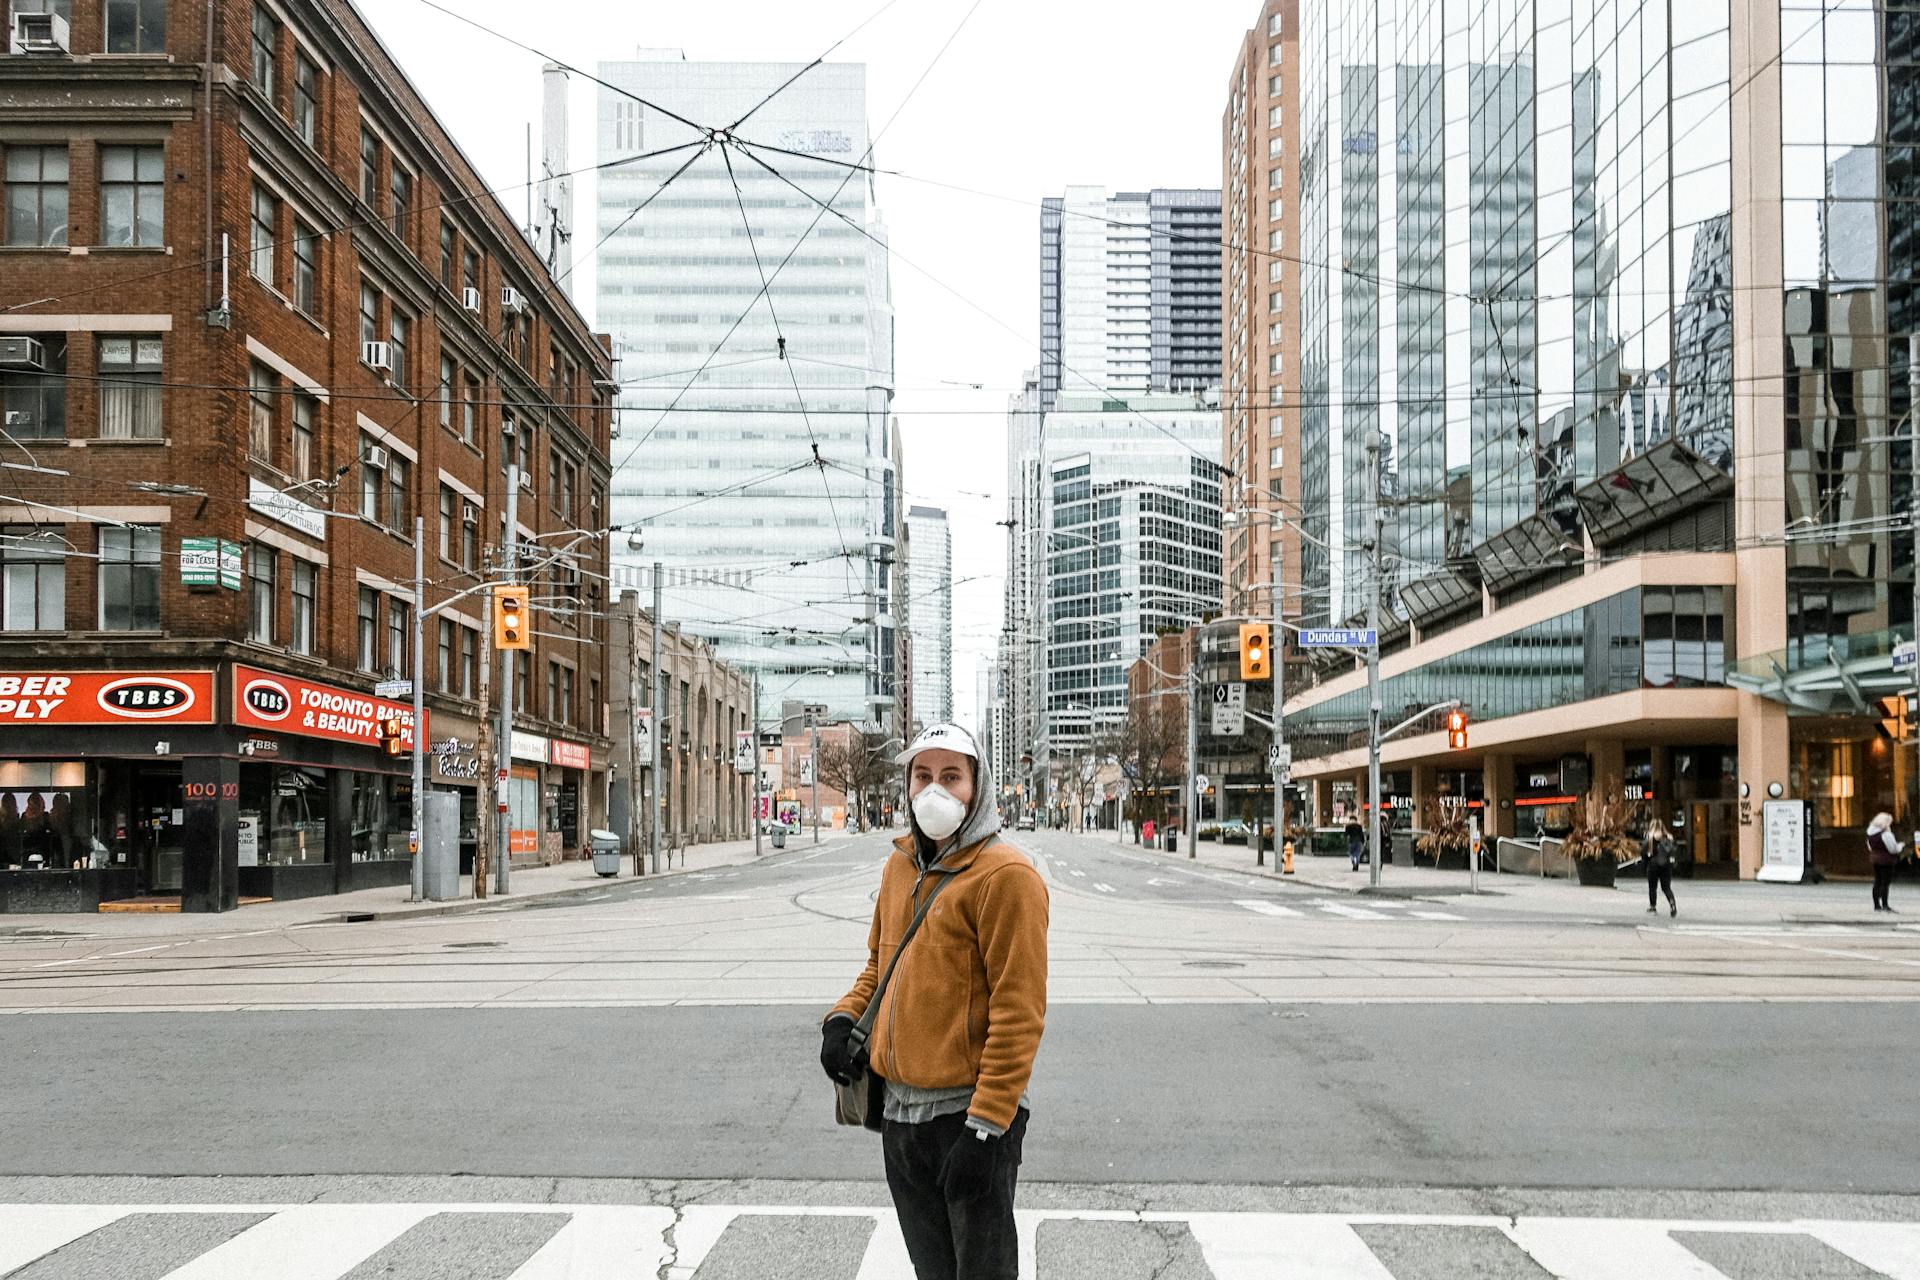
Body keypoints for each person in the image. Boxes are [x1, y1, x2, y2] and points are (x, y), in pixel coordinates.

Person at [821, 723, 1049, 1280]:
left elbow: (1018, 1015)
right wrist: (843, 1019)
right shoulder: (899, 867)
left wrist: (986, 1130)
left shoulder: (1007, 876)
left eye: (952, 776)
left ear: (979, 786)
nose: (935, 791)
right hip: (900, 1119)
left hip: (967, 1121)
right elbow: (880, 965)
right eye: (923, 776)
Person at [1868, 811, 1901, 912]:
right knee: (1885, 883)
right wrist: (1900, 846)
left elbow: (1870, 847)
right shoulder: (1886, 834)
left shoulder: (1870, 833)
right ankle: (1885, 904)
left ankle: (1876, 905)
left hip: (1875, 858)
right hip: (1886, 860)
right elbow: (1893, 849)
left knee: (1877, 881)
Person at [1645, 818, 1677, 917]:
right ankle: (1672, 904)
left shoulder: (1650, 837)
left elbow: (1644, 852)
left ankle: (1653, 906)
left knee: (1652, 887)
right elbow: (1674, 850)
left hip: (1653, 864)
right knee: (1666, 887)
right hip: (1666, 864)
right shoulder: (1669, 837)